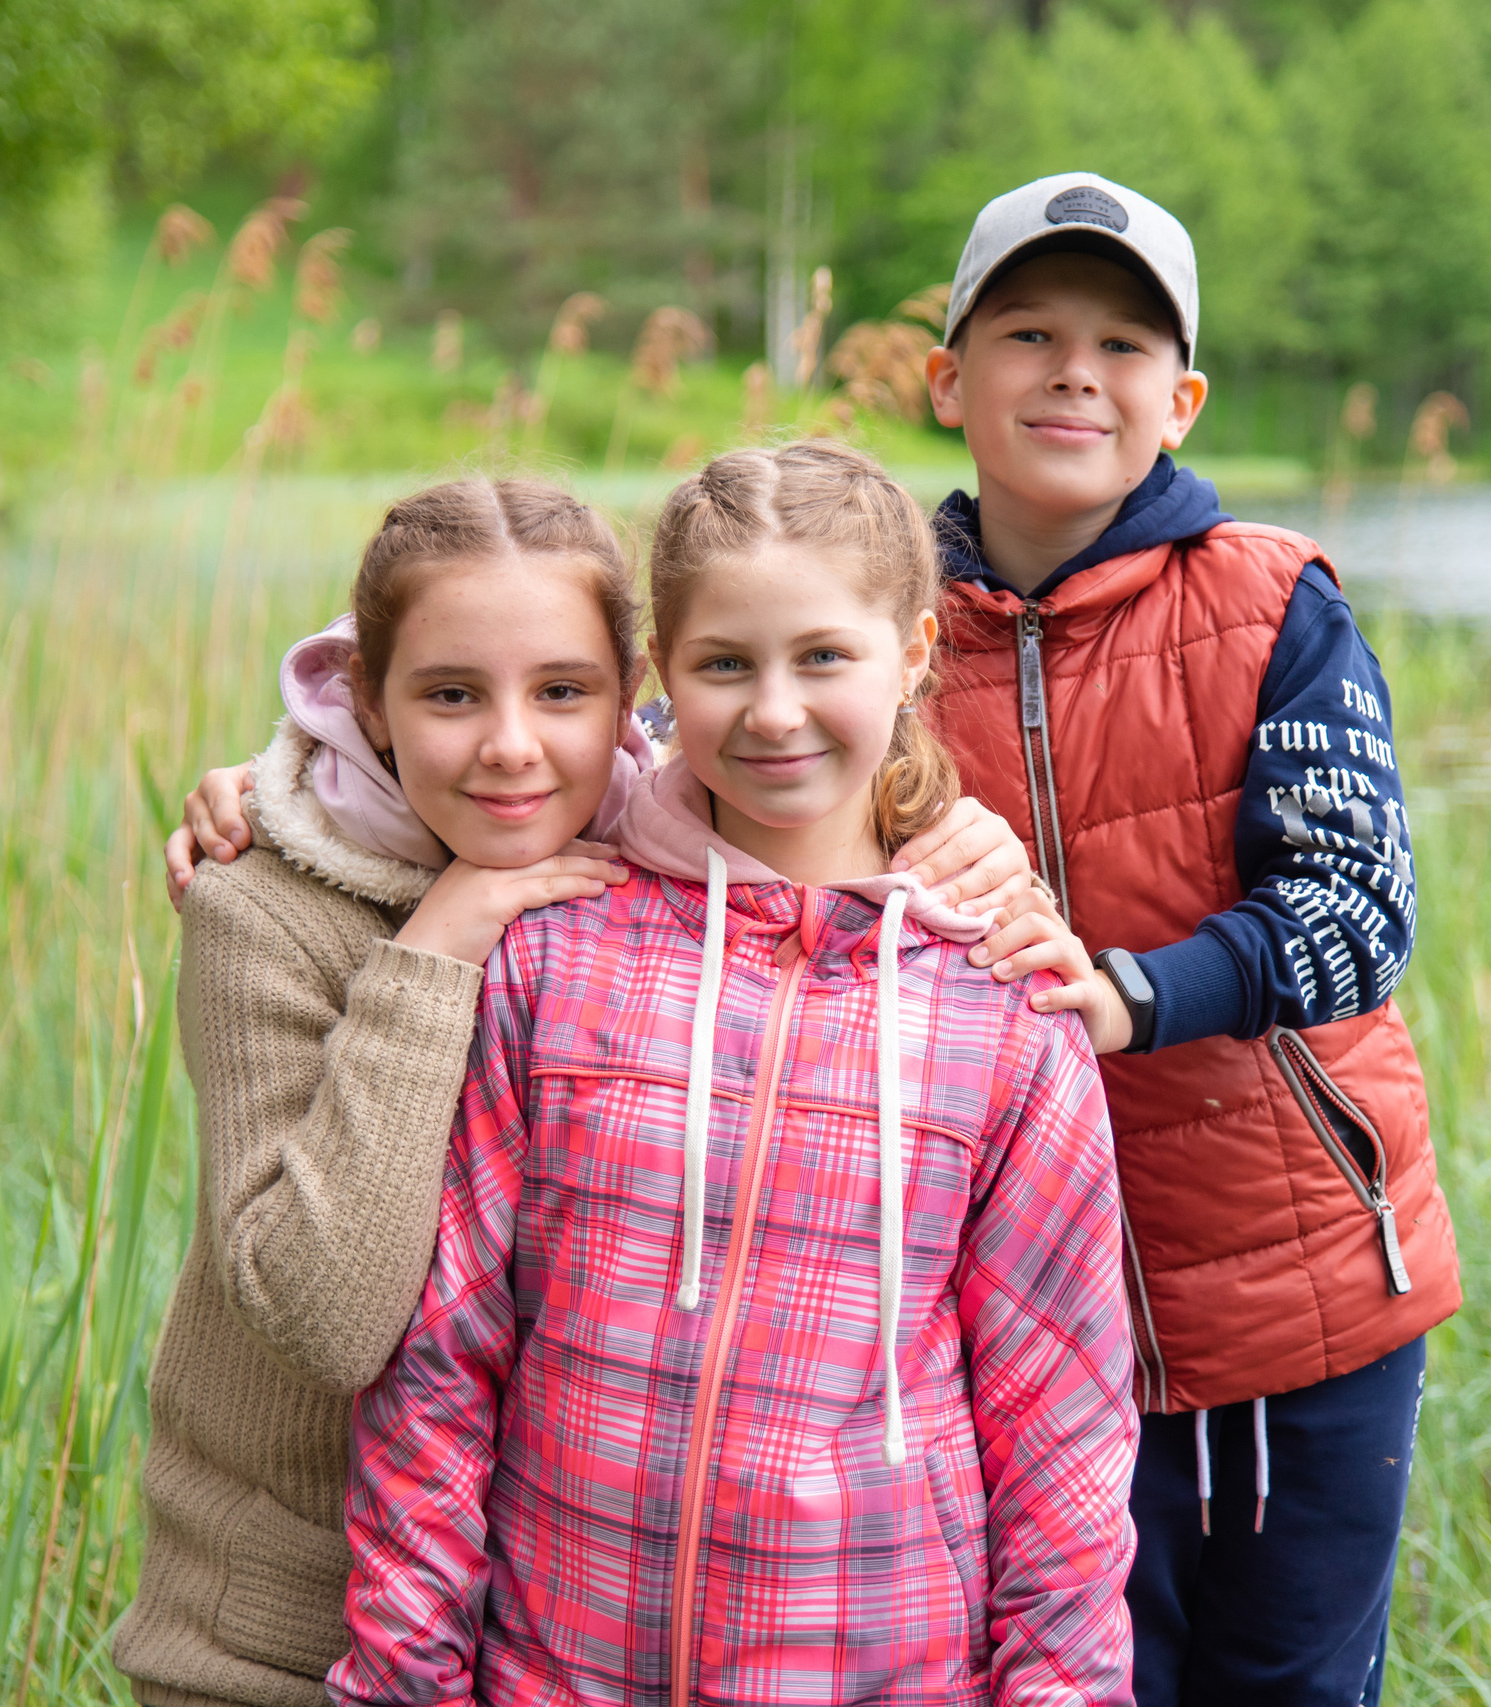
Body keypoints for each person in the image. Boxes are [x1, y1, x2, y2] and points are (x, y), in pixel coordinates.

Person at [116, 477, 1044, 1707]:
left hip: (535, 1632)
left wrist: (972, 855)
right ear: (368, 707)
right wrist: (430, 953)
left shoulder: (633, 873)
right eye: (450, 694)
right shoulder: (260, 904)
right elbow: (328, 1323)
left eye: (562, 691)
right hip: (277, 1629)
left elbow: (810, 760)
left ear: (632, 702)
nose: (511, 743)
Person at [328, 442, 1138, 1707]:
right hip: (557, 1674)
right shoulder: (550, 957)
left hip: (883, 1669)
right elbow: (439, 1370)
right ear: (660, 679)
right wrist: (401, 1684)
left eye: (823, 657)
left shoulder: (1004, 1006)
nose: (772, 712)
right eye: (723, 665)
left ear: (915, 654)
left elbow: (1064, 1439)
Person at [916, 174, 1465, 1707]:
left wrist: (1131, 993)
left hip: (1288, 1296)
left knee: (1281, 1685)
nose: (1075, 369)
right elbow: (640, 760)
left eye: (1122, 342)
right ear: (949, 379)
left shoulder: (1270, 599)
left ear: (1183, 398)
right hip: (1015, 1317)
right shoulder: (874, 624)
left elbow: (1358, 907)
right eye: (1026, 331)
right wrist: (296, 776)